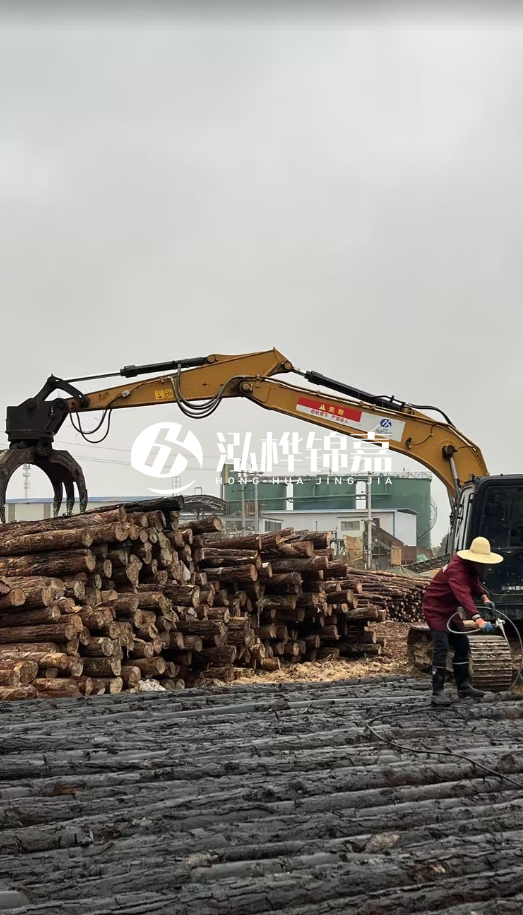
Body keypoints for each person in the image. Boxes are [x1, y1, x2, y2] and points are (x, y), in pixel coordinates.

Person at [422, 536, 503, 706]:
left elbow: (474, 585)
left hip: (450, 610)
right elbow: (464, 596)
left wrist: (484, 598)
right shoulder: (456, 571)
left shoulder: (470, 568)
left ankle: (463, 686)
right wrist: (479, 620)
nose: (484, 566)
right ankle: (437, 692)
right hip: (435, 609)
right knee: (441, 647)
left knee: (462, 645)